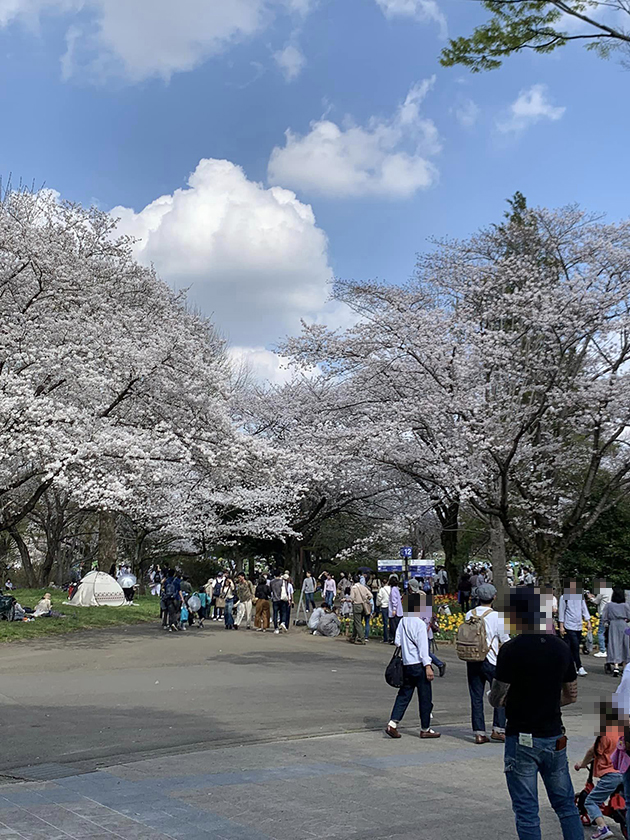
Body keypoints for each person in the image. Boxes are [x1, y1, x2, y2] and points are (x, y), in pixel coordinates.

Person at [490, 587, 582, 840]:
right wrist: (548, 701)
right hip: (554, 735)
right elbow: (571, 695)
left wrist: (515, 700)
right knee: (565, 805)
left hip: (521, 735)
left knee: (527, 809)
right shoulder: (561, 647)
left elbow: (497, 698)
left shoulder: (511, 649)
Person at [385, 591, 440, 740]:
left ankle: (393, 723)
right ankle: (425, 728)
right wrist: (428, 666)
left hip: (406, 664)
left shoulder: (403, 621)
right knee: (425, 696)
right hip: (419, 665)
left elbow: (398, 642)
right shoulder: (420, 624)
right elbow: (423, 649)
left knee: (404, 694)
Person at [465, 583, 510, 744]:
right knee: (500, 694)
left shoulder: (469, 614)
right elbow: (505, 640)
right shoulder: (498, 617)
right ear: (494, 597)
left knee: (476, 697)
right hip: (492, 660)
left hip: (472, 659)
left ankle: (479, 732)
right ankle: (498, 729)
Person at [574, 702, 623, 840]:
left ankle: (603, 829)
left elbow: (592, 752)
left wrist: (582, 764)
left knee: (591, 801)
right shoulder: (623, 732)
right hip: (624, 773)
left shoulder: (605, 734)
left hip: (611, 775)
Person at [558, 579, 591, 676]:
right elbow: (561, 611)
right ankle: (579, 666)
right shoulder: (564, 597)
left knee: (571, 647)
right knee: (575, 646)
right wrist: (561, 626)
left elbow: (584, 608)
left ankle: (568, 666)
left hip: (578, 625)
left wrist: (588, 621)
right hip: (569, 625)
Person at [602, 587, 630, 677]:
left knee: (614, 644)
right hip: (624, 625)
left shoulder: (609, 606)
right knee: (625, 645)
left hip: (613, 625)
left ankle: (616, 666)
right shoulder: (625, 605)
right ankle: (625, 666)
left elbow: (604, 617)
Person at [591, 579, 614, 658]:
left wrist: (591, 598)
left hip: (603, 613)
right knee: (609, 633)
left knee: (601, 632)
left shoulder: (602, 590)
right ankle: (611, 650)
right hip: (611, 613)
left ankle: (602, 650)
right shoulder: (610, 590)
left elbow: (596, 601)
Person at [349, 574, 372, 645]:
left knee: (357, 622)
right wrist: (366, 599)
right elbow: (370, 595)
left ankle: (361, 639)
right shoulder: (363, 587)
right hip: (363, 605)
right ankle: (353, 637)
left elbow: (352, 598)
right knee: (357, 621)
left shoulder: (353, 588)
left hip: (357, 605)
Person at [388, 575, 403, 644]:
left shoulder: (393, 589)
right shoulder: (397, 589)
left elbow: (394, 600)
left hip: (395, 612)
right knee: (398, 626)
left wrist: (394, 609)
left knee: (394, 627)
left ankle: (395, 640)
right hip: (399, 611)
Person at [377, 579, 392, 644]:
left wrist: (380, 603)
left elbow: (379, 597)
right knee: (391, 622)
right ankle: (391, 637)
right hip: (390, 606)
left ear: (382, 583)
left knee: (385, 623)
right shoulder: (391, 589)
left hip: (384, 606)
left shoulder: (382, 589)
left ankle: (385, 638)